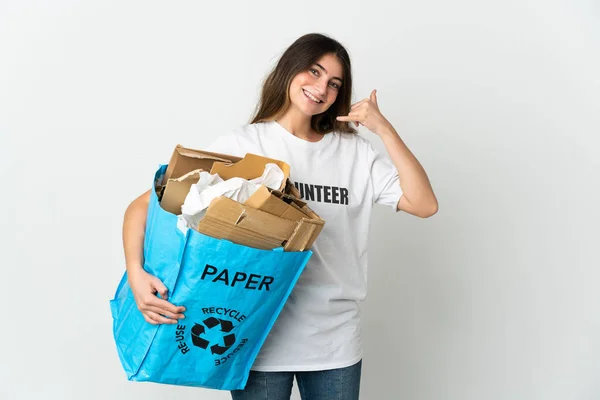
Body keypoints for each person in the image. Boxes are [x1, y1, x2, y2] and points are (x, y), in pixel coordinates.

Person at [122, 32, 438, 400]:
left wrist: (383, 129)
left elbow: (423, 204)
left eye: (334, 84)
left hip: (334, 343)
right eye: (314, 71)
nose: (321, 88)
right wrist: (135, 272)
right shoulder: (245, 145)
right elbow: (143, 205)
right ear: (290, 69)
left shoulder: (354, 153)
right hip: (256, 339)